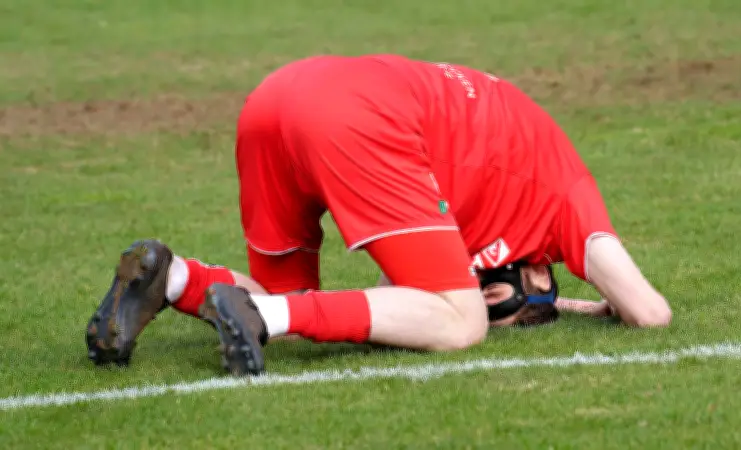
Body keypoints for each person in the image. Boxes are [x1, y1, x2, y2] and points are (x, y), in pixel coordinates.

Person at [86, 54, 671, 374]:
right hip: (358, 115)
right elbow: (650, 312)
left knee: (285, 295)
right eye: (505, 301)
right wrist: (602, 304)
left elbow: (401, 296)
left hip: (278, 96)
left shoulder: (493, 209)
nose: (485, 294)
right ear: (540, 274)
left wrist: (565, 305)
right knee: (458, 324)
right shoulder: (565, 198)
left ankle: (176, 276)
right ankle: (262, 313)